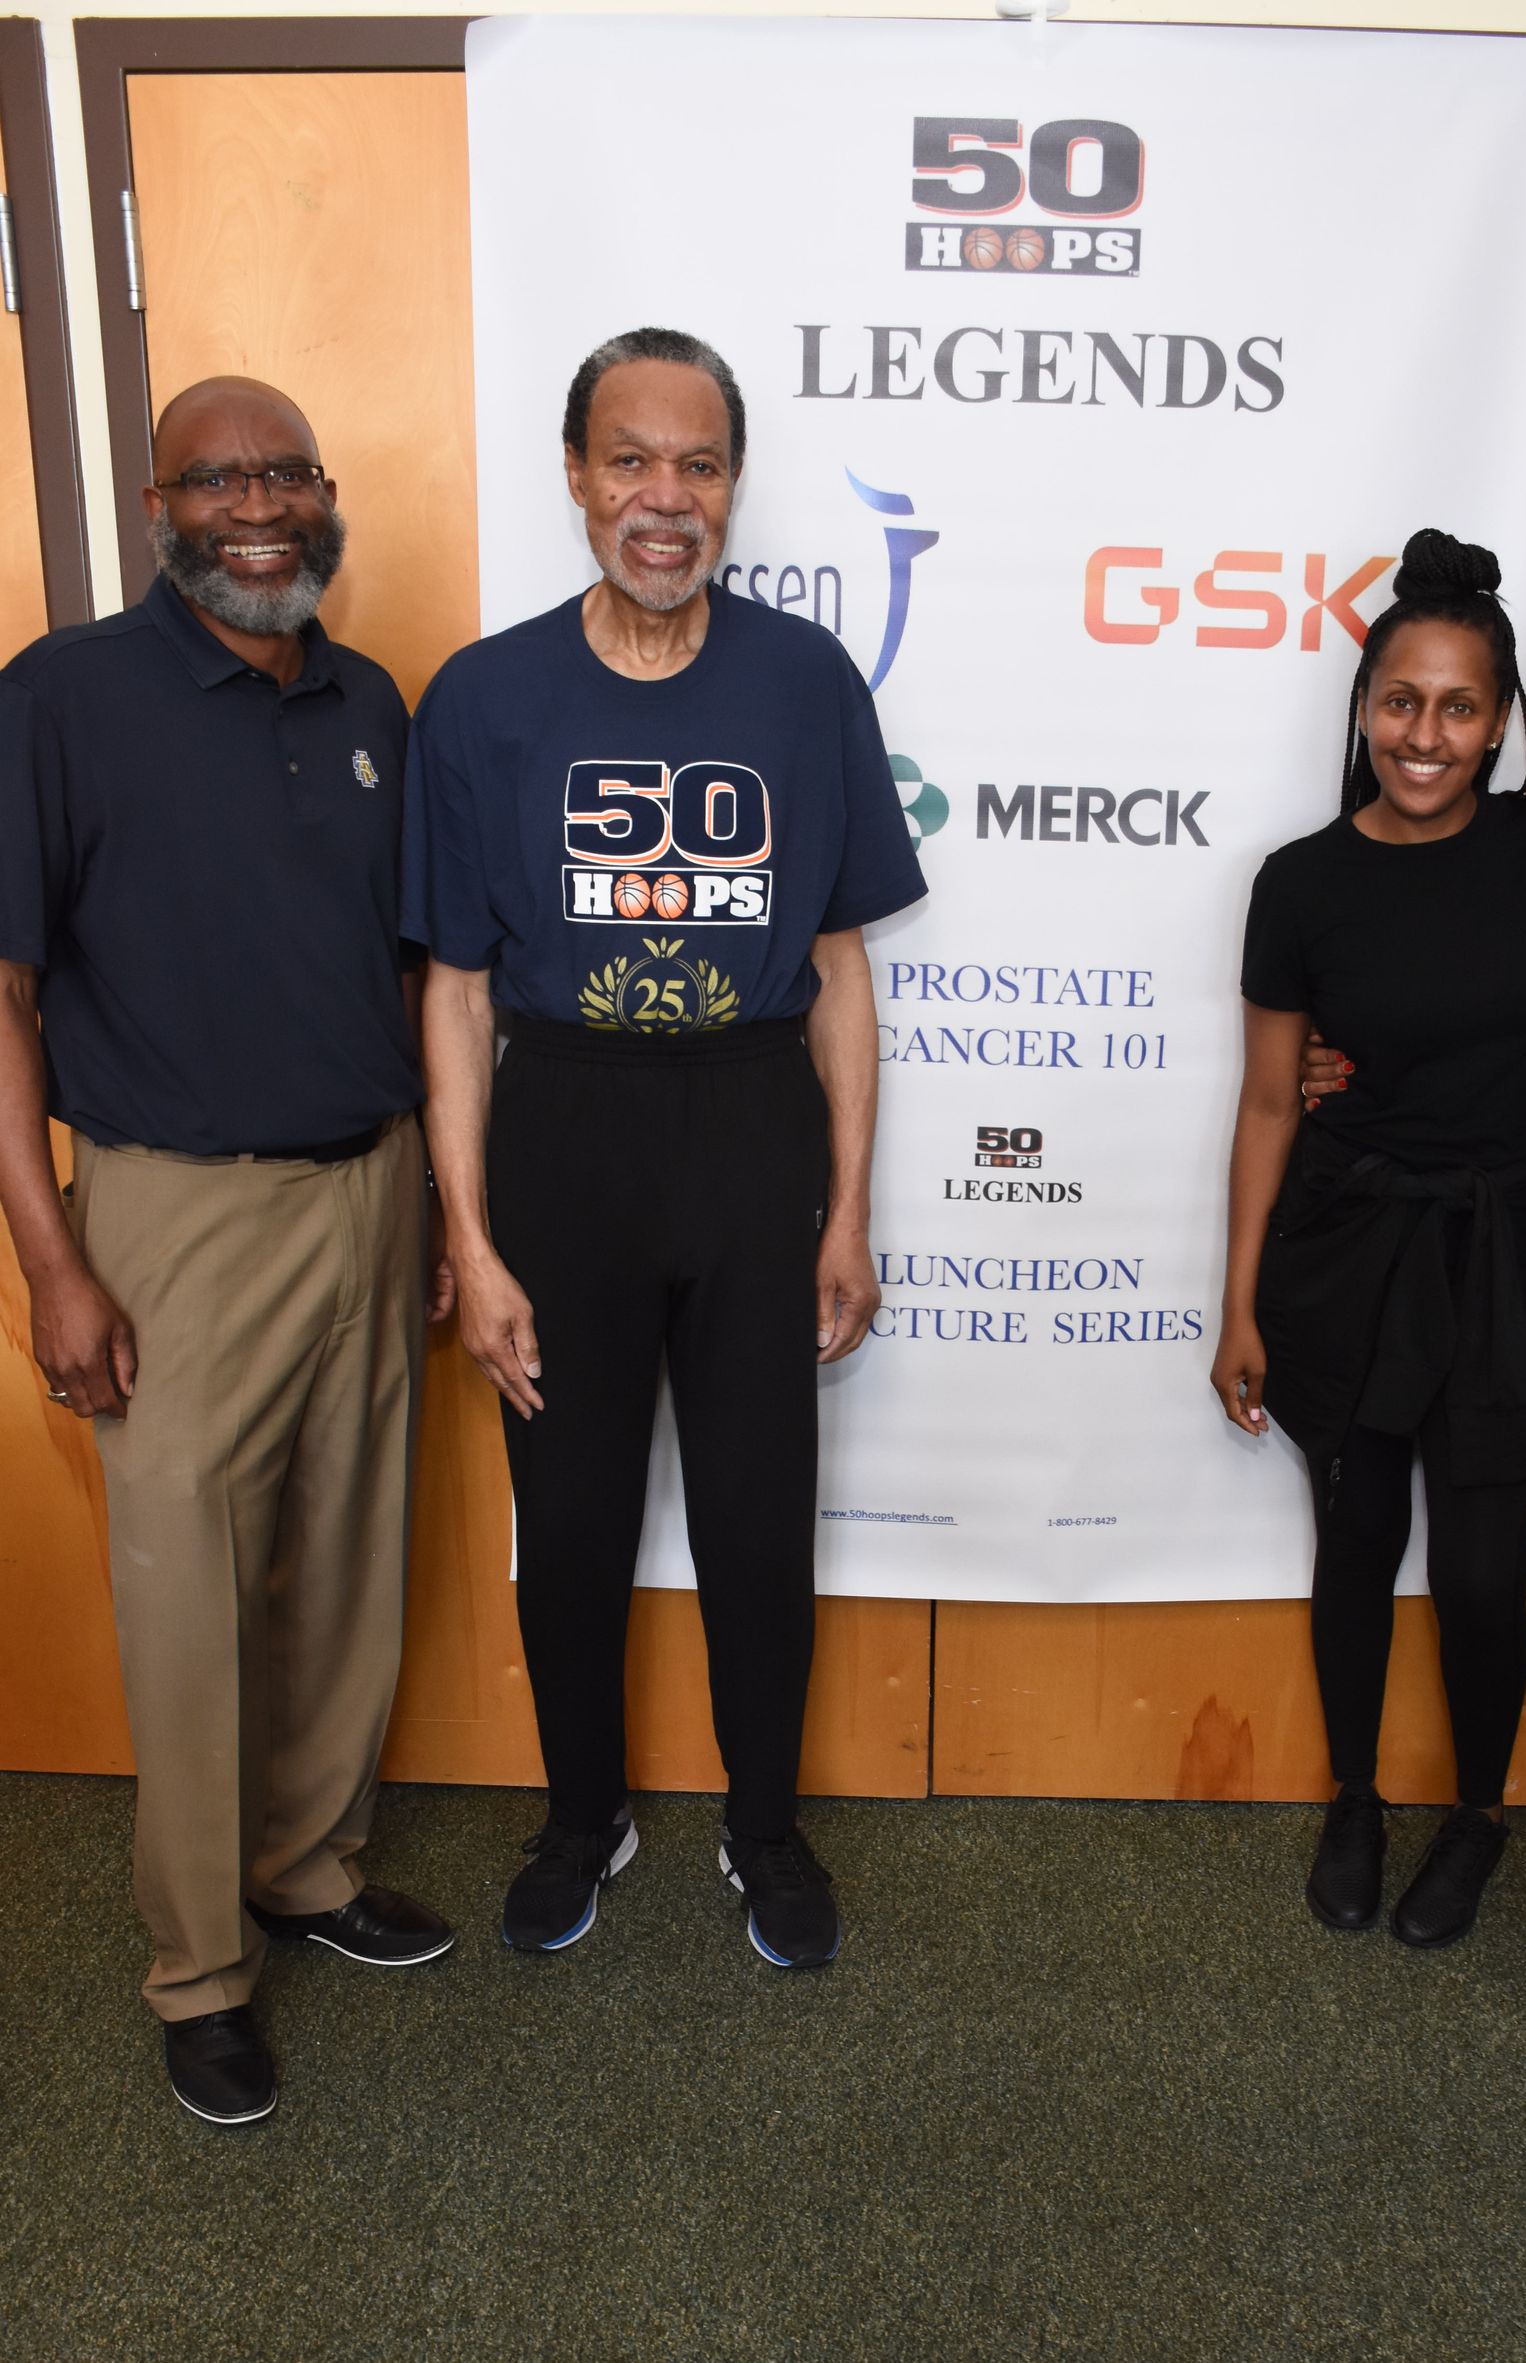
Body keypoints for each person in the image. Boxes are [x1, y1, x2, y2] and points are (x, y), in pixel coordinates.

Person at [408, 326, 924, 1968]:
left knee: (760, 1527)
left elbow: (841, 967)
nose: (664, 496)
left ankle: (762, 1828)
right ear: (575, 476)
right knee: (565, 1525)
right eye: (629, 459)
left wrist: (847, 1208)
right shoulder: (485, 698)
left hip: (751, 1131)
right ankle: (584, 1813)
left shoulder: (800, 683)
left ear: (732, 487)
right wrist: (472, 1240)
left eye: (697, 464)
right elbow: (455, 987)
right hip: (564, 1139)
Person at [0, 377, 455, 2129]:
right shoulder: (63, 700)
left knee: (350, 1560)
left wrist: (435, 1208)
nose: (257, 504)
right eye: (218, 478)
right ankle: (199, 1967)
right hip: (173, 1209)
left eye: (285, 473)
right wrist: (53, 1260)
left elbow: (412, 977)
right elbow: (8, 995)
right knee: (188, 1606)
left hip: (373, 1179)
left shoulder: (373, 701)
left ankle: (312, 1868)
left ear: (326, 494)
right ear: (158, 504)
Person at [1211, 530, 1526, 1950]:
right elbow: (1261, 1103)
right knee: (1355, 1545)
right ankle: (1354, 1794)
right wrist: (1234, 1306)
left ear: (1502, 722)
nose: (1427, 735)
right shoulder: (1299, 883)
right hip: (1342, 1253)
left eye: (1460, 707)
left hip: (1504, 1259)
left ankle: (1477, 1815)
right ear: (1364, 713)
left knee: (1481, 1570)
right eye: (1401, 704)